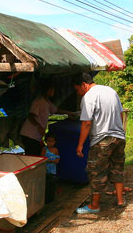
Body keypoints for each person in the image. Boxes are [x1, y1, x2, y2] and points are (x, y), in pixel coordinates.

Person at [72, 73, 126, 214]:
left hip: (102, 139)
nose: (78, 92)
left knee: (96, 171)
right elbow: (120, 114)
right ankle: (120, 200)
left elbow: (87, 123)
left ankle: (94, 205)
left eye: (78, 89)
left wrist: (80, 144)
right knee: (117, 167)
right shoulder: (111, 91)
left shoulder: (88, 97)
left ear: (84, 85)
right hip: (119, 136)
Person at [19, 82, 68, 157]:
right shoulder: (39, 101)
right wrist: (39, 127)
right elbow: (31, 116)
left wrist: (70, 113)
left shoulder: (47, 101)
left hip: (36, 136)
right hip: (30, 135)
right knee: (33, 156)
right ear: (47, 90)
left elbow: (55, 109)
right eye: (52, 89)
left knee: (36, 154)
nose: (53, 91)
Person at [44, 132, 60, 203]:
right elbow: (42, 158)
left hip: (53, 168)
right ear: (46, 141)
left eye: (52, 141)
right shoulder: (44, 149)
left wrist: (56, 160)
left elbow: (58, 157)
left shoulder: (55, 149)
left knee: (52, 182)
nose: (50, 143)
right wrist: (50, 161)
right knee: (46, 182)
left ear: (54, 142)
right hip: (45, 168)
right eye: (48, 141)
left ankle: (51, 197)